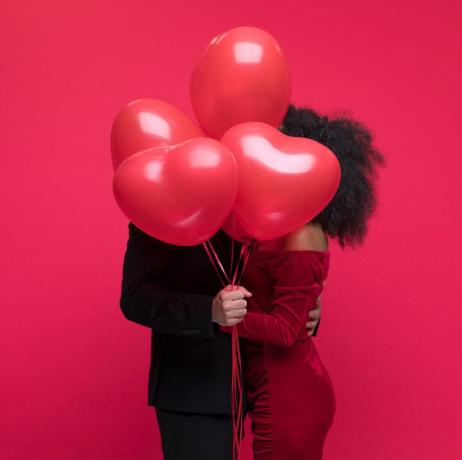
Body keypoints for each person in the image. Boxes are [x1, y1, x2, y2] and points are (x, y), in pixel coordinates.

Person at [218, 104, 385, 459]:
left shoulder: (304, 233)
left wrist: (222, 318)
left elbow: (286, 330)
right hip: (271, 389)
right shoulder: (272, 224)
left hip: (290, 396)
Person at [119, 216, 321, 459]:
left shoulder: (254, 199)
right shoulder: (159, 206)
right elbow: (135, 298)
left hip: (266, 381)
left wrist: (301, 309)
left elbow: (271, 276)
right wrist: (208, 312)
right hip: (195, 385)